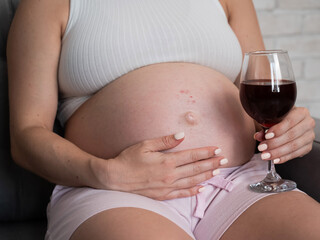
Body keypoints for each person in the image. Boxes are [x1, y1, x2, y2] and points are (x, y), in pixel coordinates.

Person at [7, 0, 319, 239]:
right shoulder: (49, 4)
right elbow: (27, 134)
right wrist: (106, 173)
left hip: (239, 181)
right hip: (116, 191)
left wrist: (287, 128)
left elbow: (260, 87)